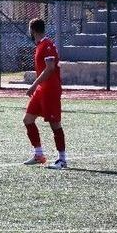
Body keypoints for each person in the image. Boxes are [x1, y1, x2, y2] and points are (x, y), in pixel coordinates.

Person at [23, 18, 67, 170]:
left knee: (55, 124)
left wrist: (33, 85)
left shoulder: (47, 45)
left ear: (32, 30)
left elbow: (50, 69)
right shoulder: (40, 45)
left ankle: (62, 160)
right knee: (28, 119)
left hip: (50, 89)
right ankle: (39, 154)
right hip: (42, 89)